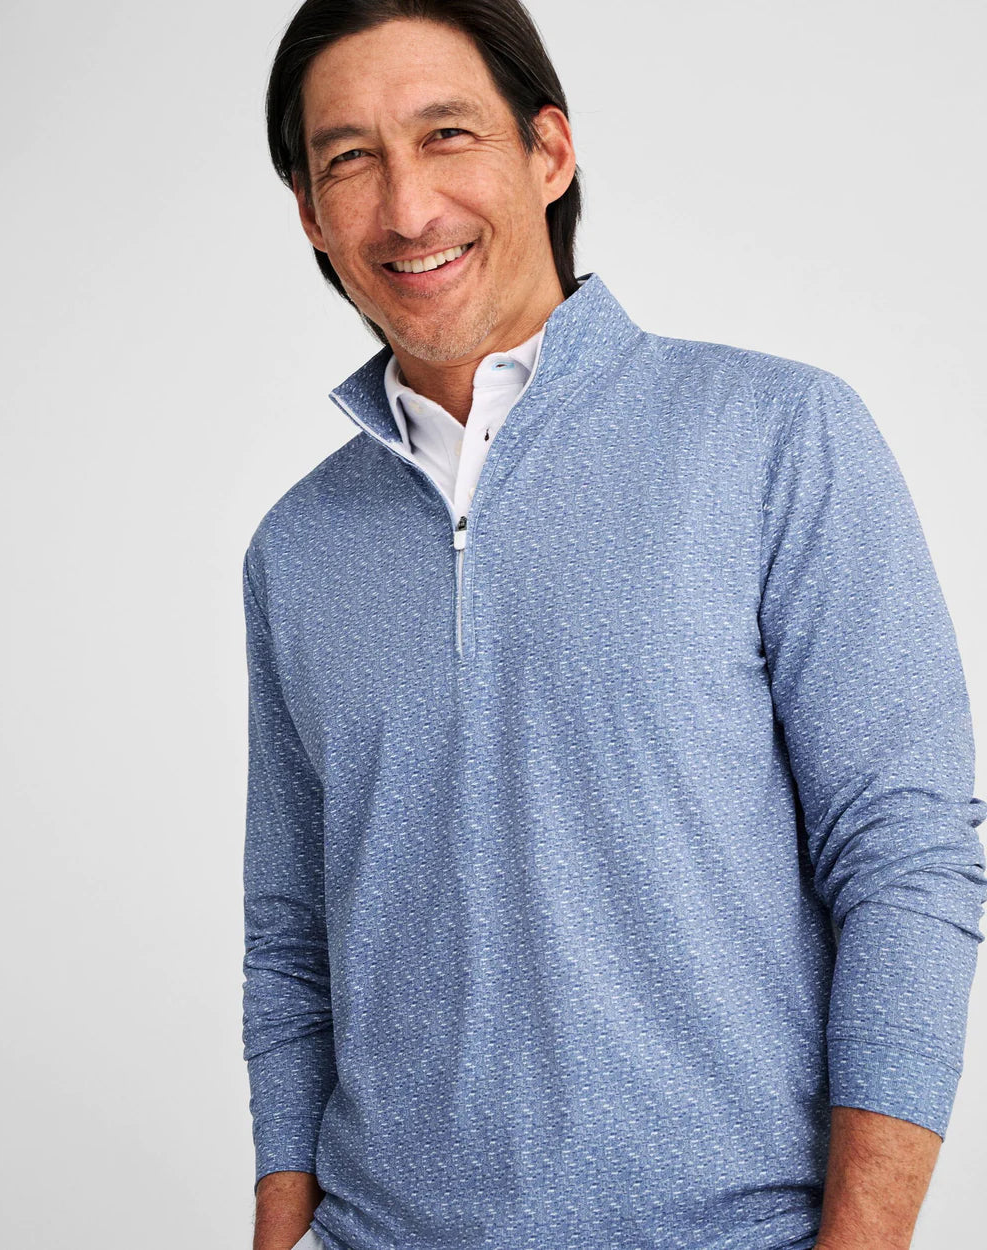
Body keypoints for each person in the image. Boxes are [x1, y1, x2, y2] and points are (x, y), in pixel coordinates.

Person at [240, 3, 987, 1249]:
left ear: (548, 150)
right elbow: (290, 941)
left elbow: (904, 854)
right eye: (350, 159)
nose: (407, 208)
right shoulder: (296, 547)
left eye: (446, 135)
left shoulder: (774, 437)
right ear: (312, 214)